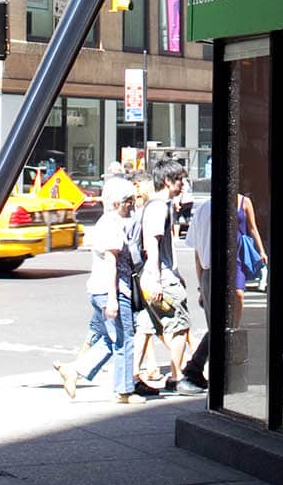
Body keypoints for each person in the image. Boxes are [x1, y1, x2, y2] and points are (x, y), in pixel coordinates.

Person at [54, 174, 156, 401]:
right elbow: (111, 263)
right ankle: (124, 391)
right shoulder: (112, 224)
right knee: (125, 339)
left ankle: (75, 371)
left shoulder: (111, 222)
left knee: (113, 339)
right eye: (128, 200)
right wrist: (113, 298)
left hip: (103, 290)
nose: (132, 204)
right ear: (116, 203)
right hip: (114, 291)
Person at [135, 161, 200, 391]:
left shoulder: (159, 206)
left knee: (147, 325)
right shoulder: (158, 207)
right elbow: (152, 242)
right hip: (161, 277)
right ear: (167, 181)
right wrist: (156, 277)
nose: (183, 184)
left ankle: (133, 378)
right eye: (179, 179)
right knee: (180, 326)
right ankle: (176, 377)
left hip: (158, 275)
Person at [183, 187, 213, 391]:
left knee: (216, 327)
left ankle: (194, 368)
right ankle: (193, 368)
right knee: (221, 327)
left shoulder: (202, 209)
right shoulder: (239, 204)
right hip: (221, 273)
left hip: (208, 274)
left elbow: (196, 254)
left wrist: (201, 284)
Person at [232, 177, 268, 327]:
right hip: (224, 249)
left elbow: (253, 227)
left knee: (239, 293)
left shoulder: (244, 202)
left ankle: (235, 326)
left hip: (238, 249)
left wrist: (261, 251)